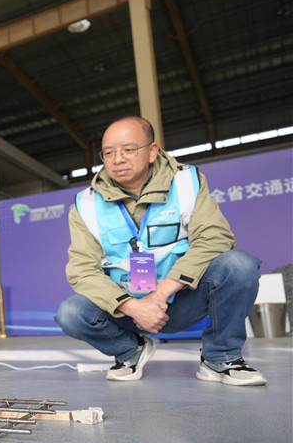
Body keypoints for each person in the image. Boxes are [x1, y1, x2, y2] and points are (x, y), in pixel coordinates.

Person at [54, 116, 266, 386]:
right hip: (128, 311)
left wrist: (161, 293)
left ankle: (220, 358)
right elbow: (82, 270)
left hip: (182, 298)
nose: (117, 159)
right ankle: (130, 350)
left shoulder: (186, 181)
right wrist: (133, 306)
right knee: (71, 312)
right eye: (109, 152)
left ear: (152, 151)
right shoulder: (86, 203)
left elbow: (215, 237)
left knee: (238, 265)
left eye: (128, 150)